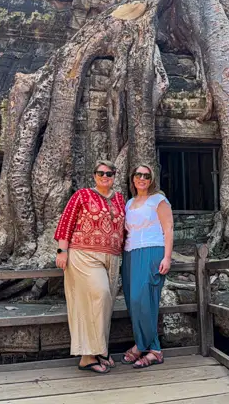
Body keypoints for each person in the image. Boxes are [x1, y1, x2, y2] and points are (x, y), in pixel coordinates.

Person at [54, 159, 125, 374]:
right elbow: (65, 223)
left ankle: (100, 350)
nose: (105, 176)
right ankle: (86, 356)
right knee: (99, 295)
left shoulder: (120, 199)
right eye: (101, 173)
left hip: (112, 257)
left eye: (110, 173)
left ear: (114, 176)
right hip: (84, 255)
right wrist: (62, 251)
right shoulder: (82, 195)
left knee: (105, 303)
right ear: (94, 175)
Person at [121, 162, 174, 369]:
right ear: (133, 178)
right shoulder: (129, 203)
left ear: (151, 180)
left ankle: (143, 347)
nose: (142, 178)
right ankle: (152, 349)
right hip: (130, 253)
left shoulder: (158, 200)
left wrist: (167, 257)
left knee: (144, 299)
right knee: (132, 301)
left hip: (152, 250)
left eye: (146, 176)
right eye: (138, 175)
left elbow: (168, 229)